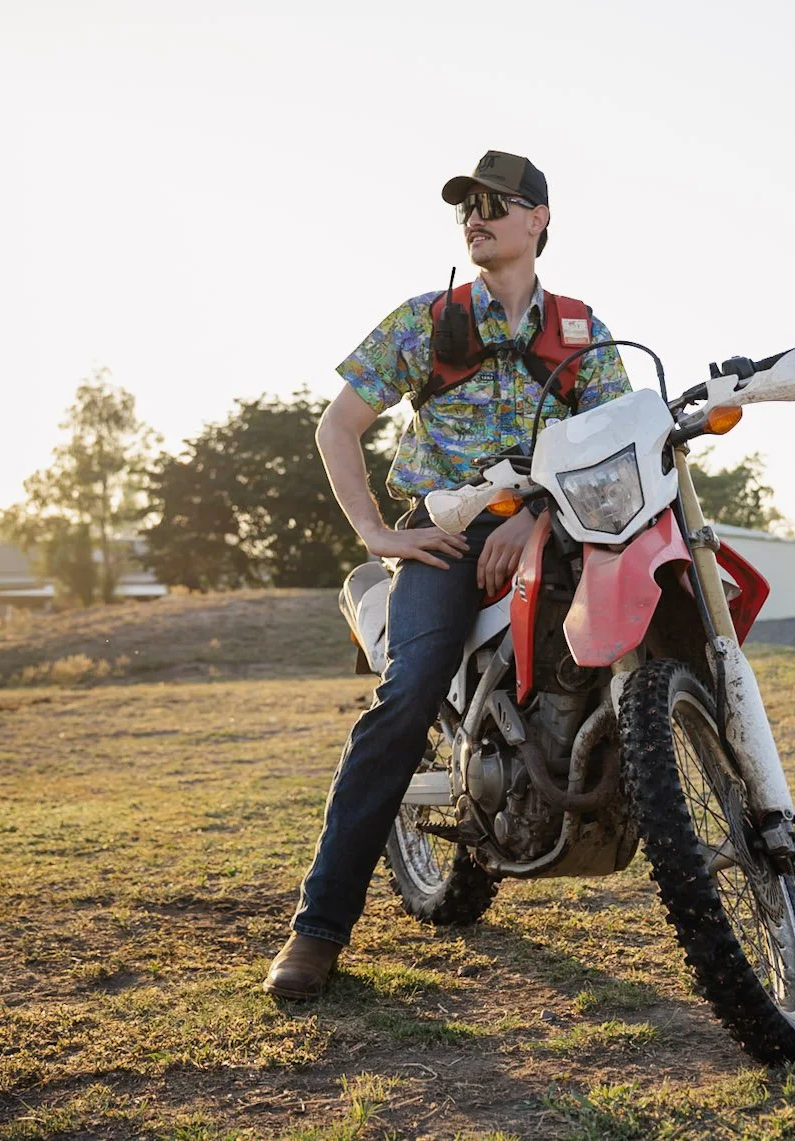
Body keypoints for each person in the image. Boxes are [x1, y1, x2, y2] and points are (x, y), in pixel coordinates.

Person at [263, 151, 631, 1000]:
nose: (476, 215)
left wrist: (537, 516)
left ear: (539, 218)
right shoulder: (426, 320)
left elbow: (613, 441)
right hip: (446, 537)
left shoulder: (581, 330)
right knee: (407, 694)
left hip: (559, 527)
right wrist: (376, 531)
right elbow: (338, 426)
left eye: (497, 203)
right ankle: (317, 930)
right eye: (465, 204)